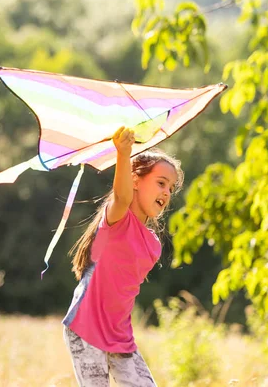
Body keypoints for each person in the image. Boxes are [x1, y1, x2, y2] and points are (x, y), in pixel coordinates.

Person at [62, 126, 184, 386]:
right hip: (86, 327)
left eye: (171, 188)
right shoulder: (116, 219)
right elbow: (122, 196)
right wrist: (124, 153)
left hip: (120, 336)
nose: (166, 192)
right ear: (136, 180)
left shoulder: (153, 245)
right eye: (161, 183)